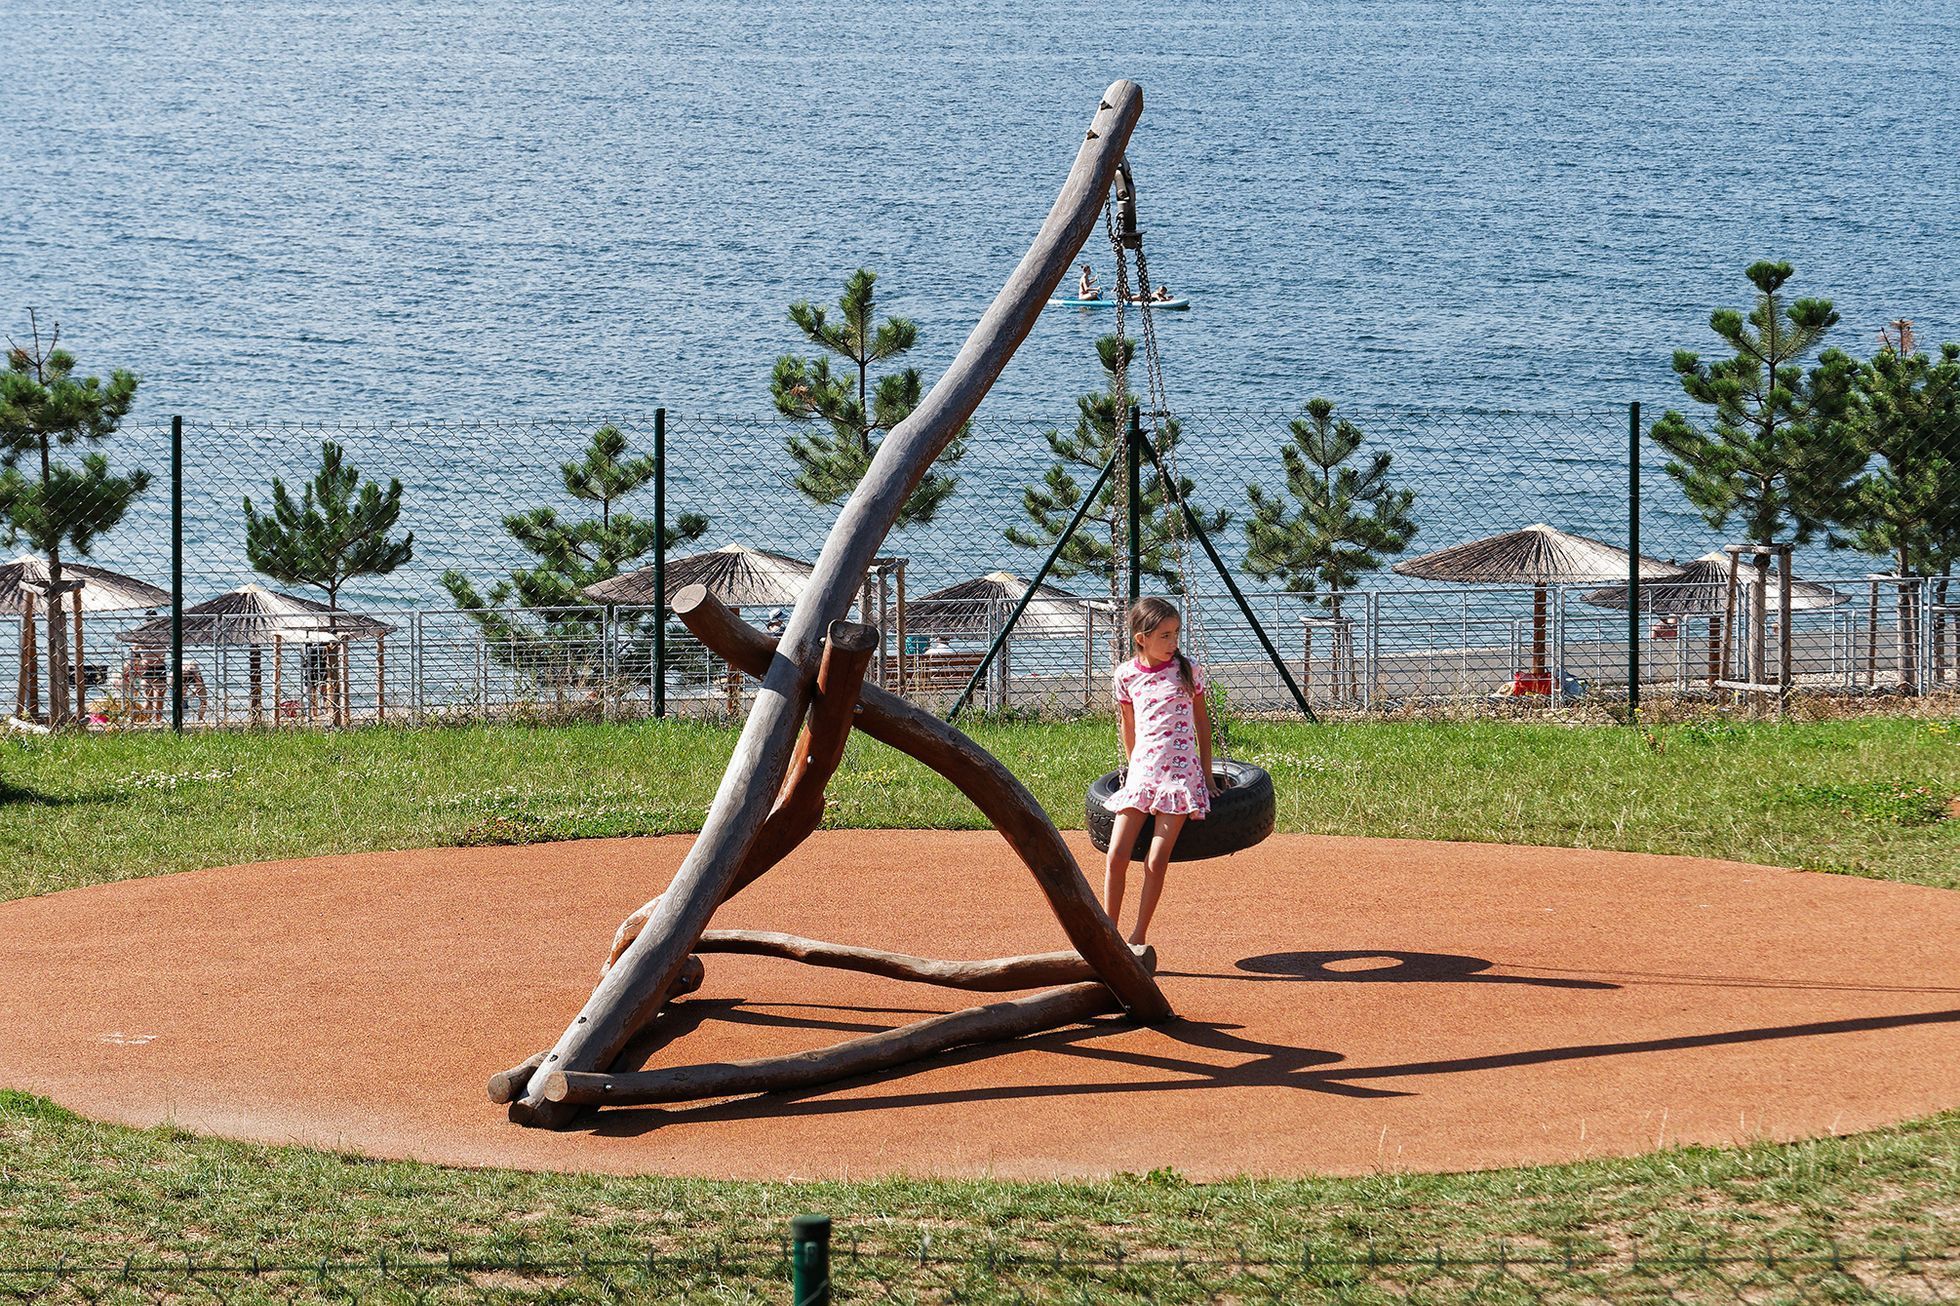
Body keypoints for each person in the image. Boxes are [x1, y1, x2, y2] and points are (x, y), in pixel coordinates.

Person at [1101, 596, 1217, 945]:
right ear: (1142, 638)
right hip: (1143, 773)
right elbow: (1128, 724)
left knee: (1156, 858)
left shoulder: (1187, 669)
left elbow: (1202, 723)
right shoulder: (1126, 675)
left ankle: (1137, 936)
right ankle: (1108, 932)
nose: (1173, 643)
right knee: (1117, 855)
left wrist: (1208, 776)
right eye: (1165, 636)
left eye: (1176, 633)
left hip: (1179, 778)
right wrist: (1132, 767)